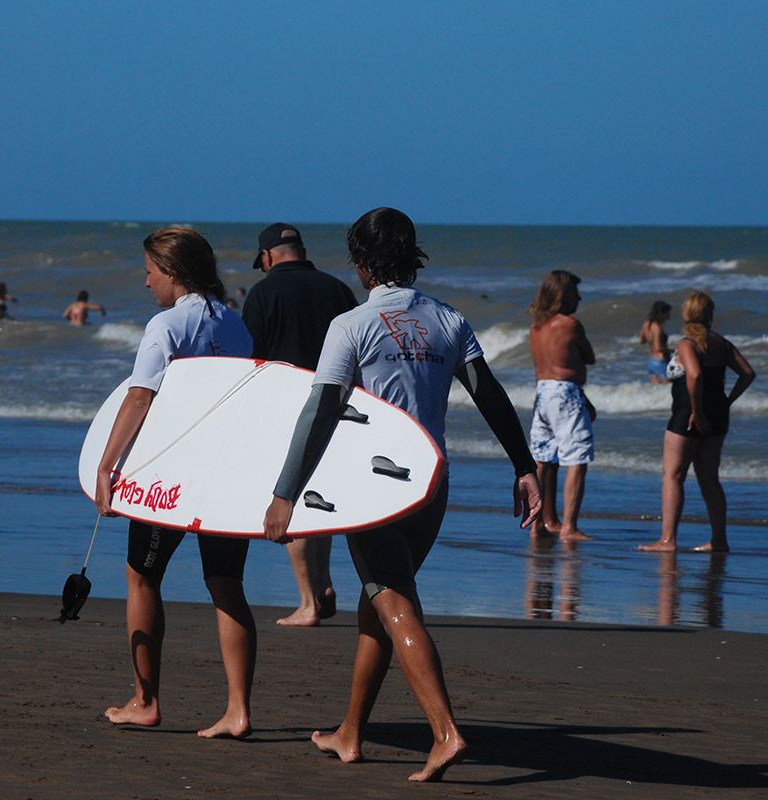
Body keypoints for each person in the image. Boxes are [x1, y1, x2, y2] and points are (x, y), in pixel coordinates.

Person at [262, 208, 541, 782]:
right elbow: (491, 396)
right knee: (380, 602)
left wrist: (286, 492)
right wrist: (524, 467)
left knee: (393, 600)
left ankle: (445, 733)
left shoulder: (352, 325)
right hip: (432, 484)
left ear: (361, 264)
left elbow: (321, 411)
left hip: (372, 487)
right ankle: (350, 732)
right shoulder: (448, 319)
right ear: (412, 256)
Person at [94, 227, 257, 739]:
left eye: (149, 272)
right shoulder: (236, 324)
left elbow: (140, 397)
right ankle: (237, 710)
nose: (145, 283)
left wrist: (106, 466)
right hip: (226, 474)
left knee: (142, 578)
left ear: (171, 273)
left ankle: (145, 701)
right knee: (226, 583)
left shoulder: (165, 326)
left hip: (172, 477)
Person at [241, 222, 357, 627]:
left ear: (268, 257)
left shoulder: (262, 293)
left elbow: (250, 362)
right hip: (337, 406)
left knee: (290, 495)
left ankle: (308, 601)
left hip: (285, 408)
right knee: (320, 496)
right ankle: (323, 586)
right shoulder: (338, 290)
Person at [639, 292, 754, 553]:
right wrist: (728, 400)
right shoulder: (721, 343)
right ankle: (719, 540)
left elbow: (694, 373)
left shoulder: (686, 344)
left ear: (687, 314)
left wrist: (695, 410)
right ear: (710, 315)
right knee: (710, 479)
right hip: (718, 416)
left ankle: (668, 540)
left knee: (673, 475)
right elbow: (747, 373)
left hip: (687, 415)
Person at [527, 270, 597, 542]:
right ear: (563, 295)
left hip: (542, 392)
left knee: (544, 458)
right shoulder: (570, 324)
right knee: (576, 459)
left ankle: (540, 523)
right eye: (575, 293)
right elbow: (588, 357)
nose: (579, 298)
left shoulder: (536, 326)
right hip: (565, 392)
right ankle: (569, 526)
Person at [639, 300, 672, 384]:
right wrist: (673, 350)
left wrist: (651, 339)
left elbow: (642, 341)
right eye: (667, 313)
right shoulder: (657, 328)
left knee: (655, 388)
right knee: (666, 388)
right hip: (661, 362)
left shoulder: (646, 324)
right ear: (661, 313)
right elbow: (658, 348)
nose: (668, 316)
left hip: (651, 361)